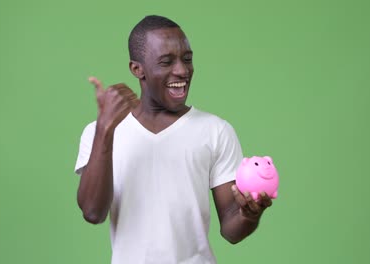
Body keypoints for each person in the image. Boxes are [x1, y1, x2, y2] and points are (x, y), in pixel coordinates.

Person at [74, 15, 273, 264]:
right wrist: (105, 130)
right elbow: (92, 212)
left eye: (187, 59)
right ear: (137, 69)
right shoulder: (99, 132)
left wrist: (250, 215)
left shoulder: (216, 131)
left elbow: (231, 230)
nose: (182, 70)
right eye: (166, 62)